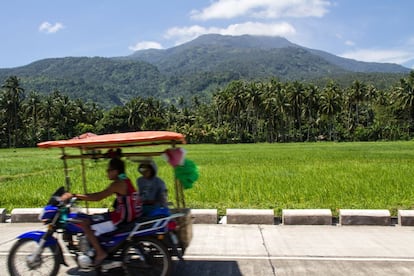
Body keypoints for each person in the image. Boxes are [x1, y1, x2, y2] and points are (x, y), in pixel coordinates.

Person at [61, 158, 142, 266]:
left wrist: (75, 195)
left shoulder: (117, 184)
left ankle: (100, 253)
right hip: (125, 215)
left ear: (116, 171)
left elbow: (98, 197)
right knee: (94, 218)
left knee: (85, 223)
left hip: (120, 218)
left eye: (109, 170)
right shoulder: (125, 180)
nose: (107, 172)